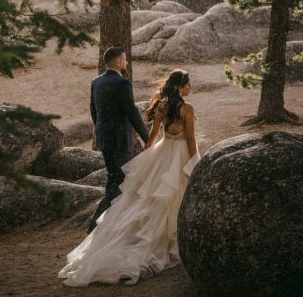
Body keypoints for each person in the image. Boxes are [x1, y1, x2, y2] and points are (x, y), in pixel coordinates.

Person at [58, 69, 200, 287]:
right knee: (172, 198)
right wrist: (196, 164)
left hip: (163, 152)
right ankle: (170, 243)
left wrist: (148, 153)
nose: (190, 88)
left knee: (150, 200)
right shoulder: (187, 109)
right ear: (181, 86)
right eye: (188, 84)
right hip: (179, 155)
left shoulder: (162, 106)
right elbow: (190, 140)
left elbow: (153, 137)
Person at [86, 46, 149, 233]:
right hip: (120, 141)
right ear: (118, 62)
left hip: (105, 139)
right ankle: (96, 224)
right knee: (121, 180)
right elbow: (132, 112)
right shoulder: (122, 83)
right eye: (125, 59)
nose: (127, 62)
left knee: (113, 178)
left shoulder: (96, 82)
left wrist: (102, 132)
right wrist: (146, 137)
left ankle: (105, 225)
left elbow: (94, 112)